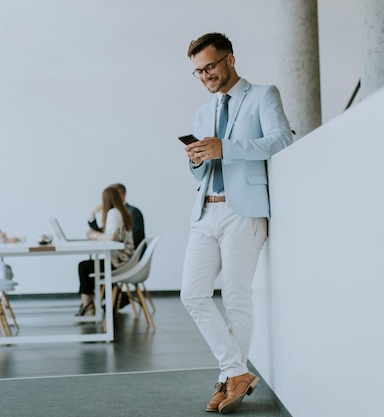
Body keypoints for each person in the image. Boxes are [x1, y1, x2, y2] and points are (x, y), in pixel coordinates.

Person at [179, 33, 292, 414]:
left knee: (236, 297)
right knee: (191, 294)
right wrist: (196, 159)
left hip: (242, 210)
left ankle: (230, 379)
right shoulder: (202, 111)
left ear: (229, 59)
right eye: (198, 71)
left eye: (210, 66)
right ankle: (236, 372)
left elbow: (281, 140)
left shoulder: (263, 95)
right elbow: (200, 174)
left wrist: (226, 148)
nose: (206, 76)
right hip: (205, 209)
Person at [76, 186, 135, 316]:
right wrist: (93, 217)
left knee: (84, 267)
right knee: (89, 267)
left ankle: (88, 305)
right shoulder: (121, 212)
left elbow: (112, 236)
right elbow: (107, 233)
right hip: (124, 259)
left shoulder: (113, 213)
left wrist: (95, 236)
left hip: (119, 261)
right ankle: (88, 304)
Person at [88, 183, 145, 248]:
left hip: (126, 252)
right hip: (120, 251)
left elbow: (112, 236)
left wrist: (96, 235)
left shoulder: (130, 211)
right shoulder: (114, 212)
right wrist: (92, 214)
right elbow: (104, 232)